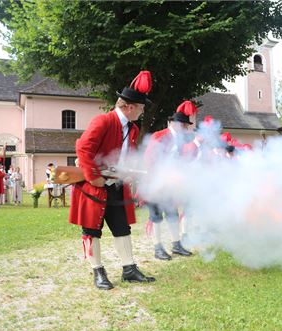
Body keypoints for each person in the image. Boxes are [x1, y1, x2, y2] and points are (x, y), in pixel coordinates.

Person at [69, 70, 155, 290]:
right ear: (129, 107)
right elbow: (83, 148)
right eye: (141, 107)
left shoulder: (132, 129)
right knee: (91, 230)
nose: (142, 111)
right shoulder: (103, 121)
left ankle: (129, 269)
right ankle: (97, 271)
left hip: (115, 185)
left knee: (122, 227)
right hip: (93, 186)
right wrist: (94, 178)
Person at [143, 100, 197, 261]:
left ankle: (176, 245)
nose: (186, 128)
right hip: (155, 183)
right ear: (175, 124)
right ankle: (157, 248)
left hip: (170, 183)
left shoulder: (180, 141)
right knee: (156, 216)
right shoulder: (159, 136)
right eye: (184, 125)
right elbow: (149, 160)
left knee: (173, 214)